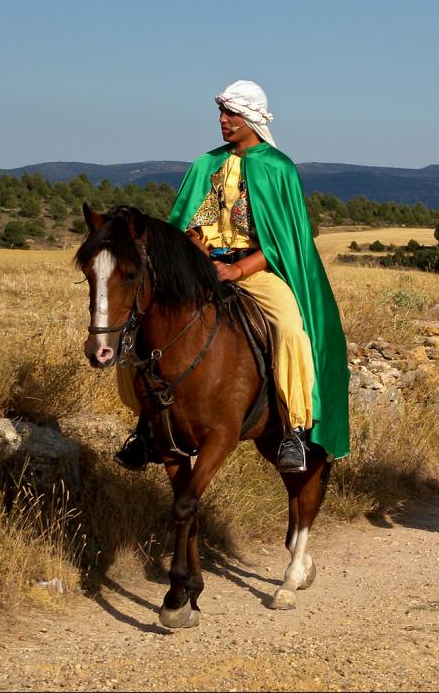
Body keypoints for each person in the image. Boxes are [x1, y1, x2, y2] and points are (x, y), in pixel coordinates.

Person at [114, 79, 350, 473]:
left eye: (232, 114)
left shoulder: (278, 169)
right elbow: (185, 225)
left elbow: (286, 242)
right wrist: (198, 253)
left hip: (256, 271)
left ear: (252, 118)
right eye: (222, 113)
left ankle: (294, 429)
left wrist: (238, 268)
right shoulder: (206, 164)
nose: (224, 121)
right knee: (141, 326)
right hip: (202, 269)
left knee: (291, 329)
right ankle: (146, 427)